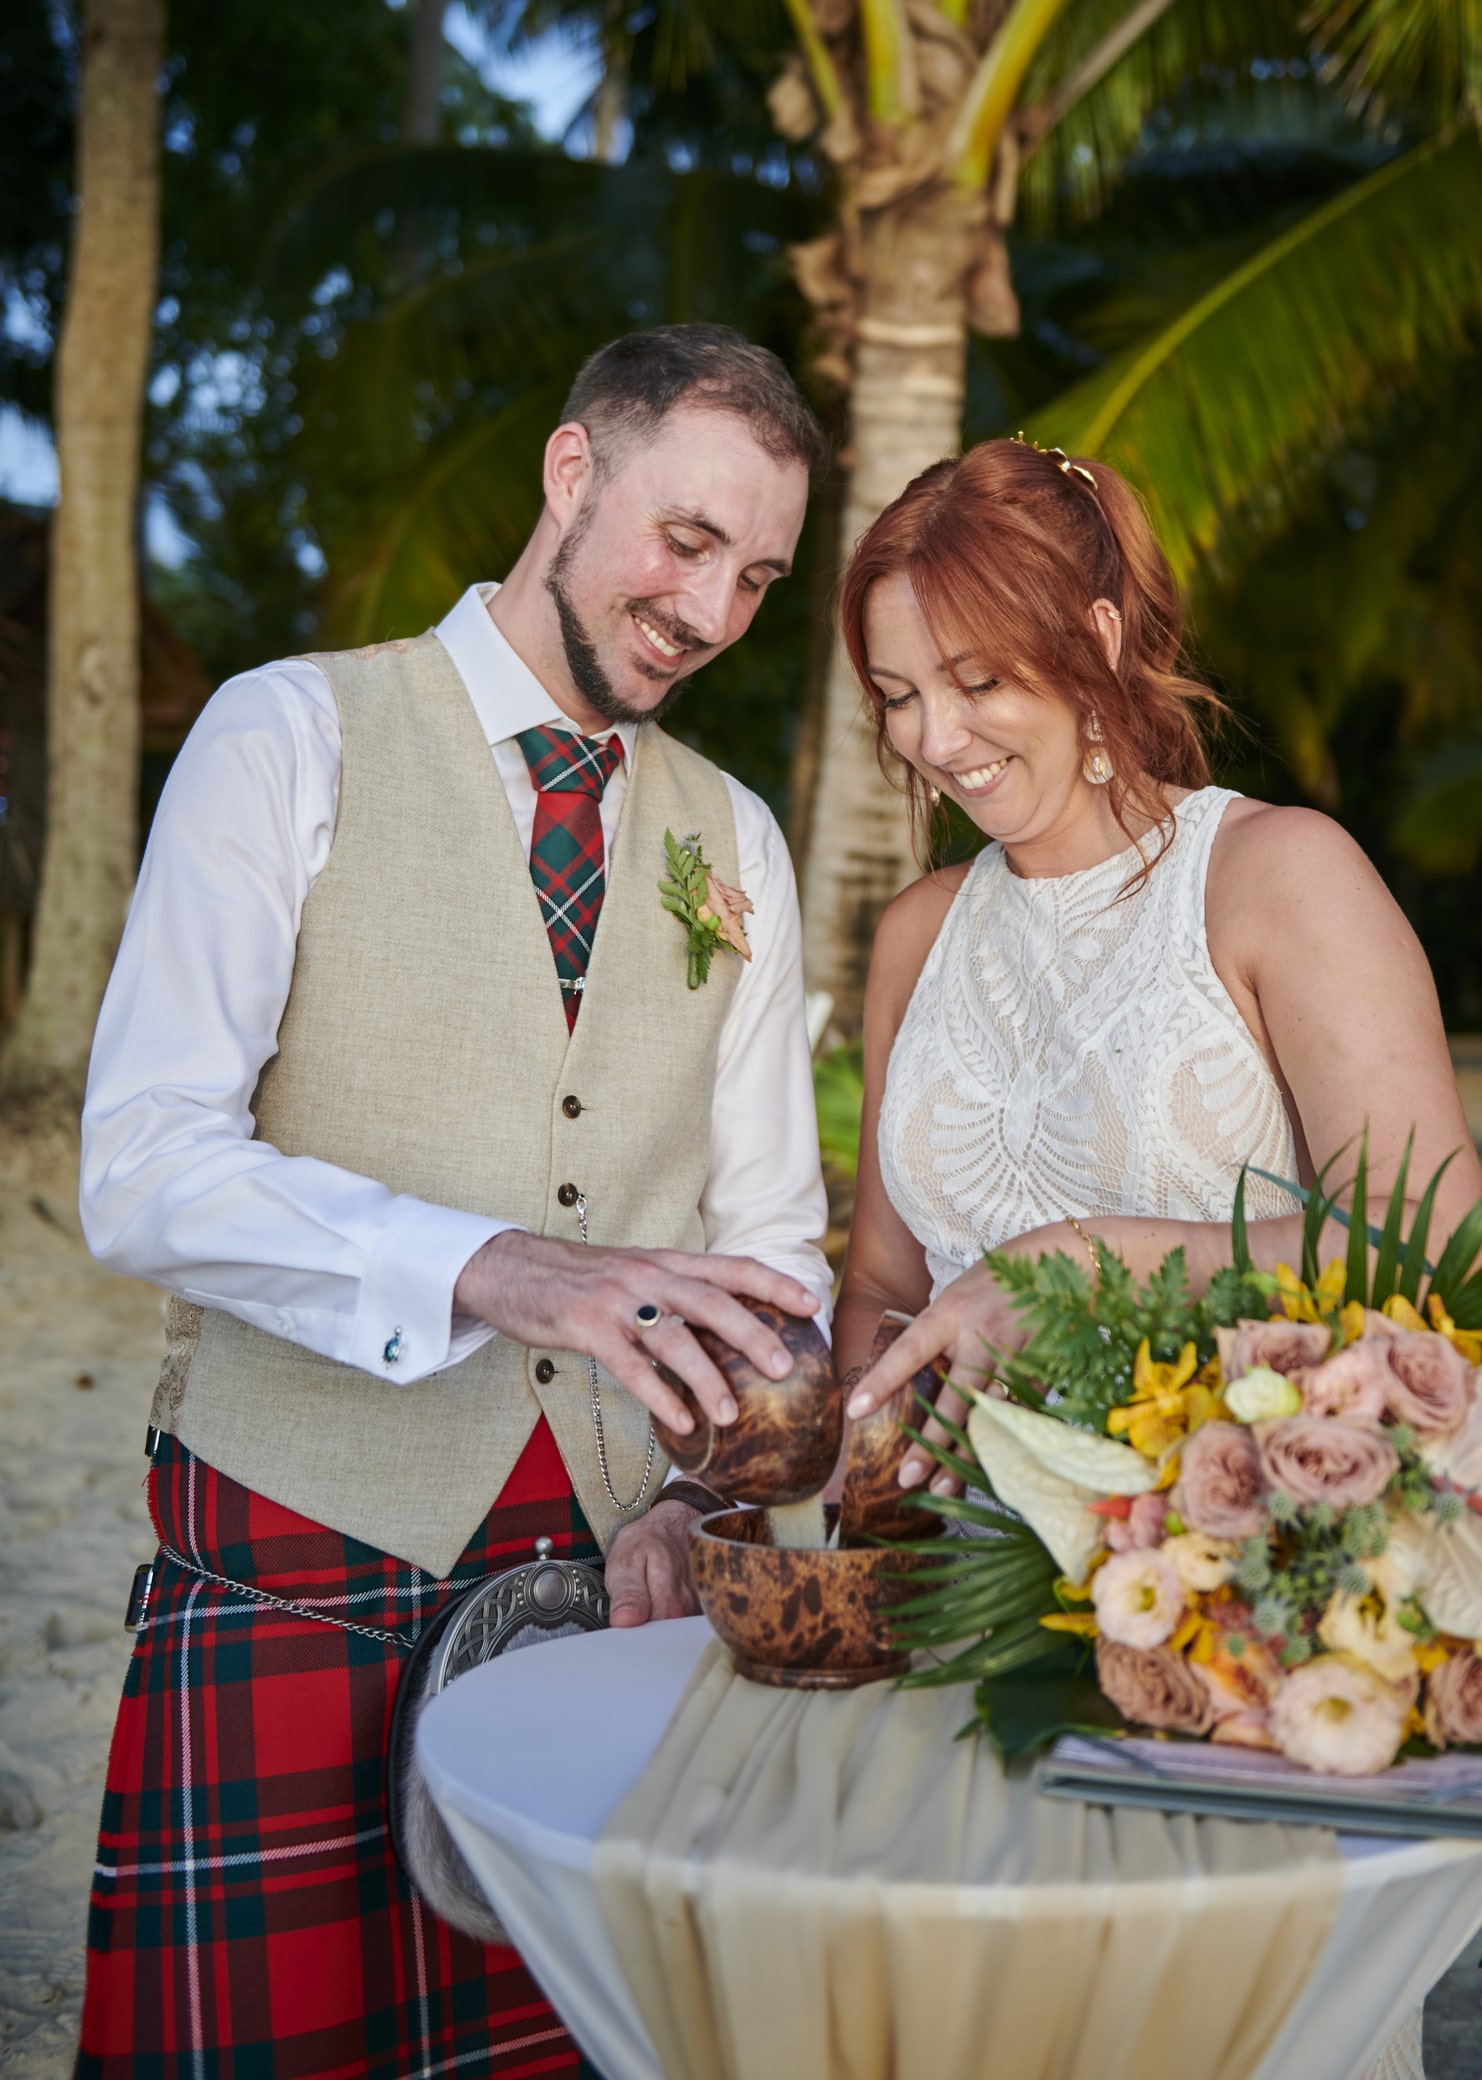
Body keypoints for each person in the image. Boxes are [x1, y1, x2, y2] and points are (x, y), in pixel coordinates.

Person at [76, 325, 833, 2080]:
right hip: (300, 1567)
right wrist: (499, 1268)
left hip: (614, 1585)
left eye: (761, 577)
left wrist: (707, 1495)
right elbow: (144, 1166)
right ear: (572, 474)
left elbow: (771, 1247)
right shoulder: (288, 734)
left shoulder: (740, 840)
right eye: (687, 541)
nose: (713, 613)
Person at [830, 437, 1477, 2080]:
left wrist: (1079, 1258)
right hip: (959, 1617)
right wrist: (854, 1490)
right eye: (899, 696)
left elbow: (1436, 1246)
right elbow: (886, 1287)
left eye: (976, 680)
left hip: (1234, 1613)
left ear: (1104, 634)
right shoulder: (917, 932)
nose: (936, 740)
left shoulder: (1276, 875)